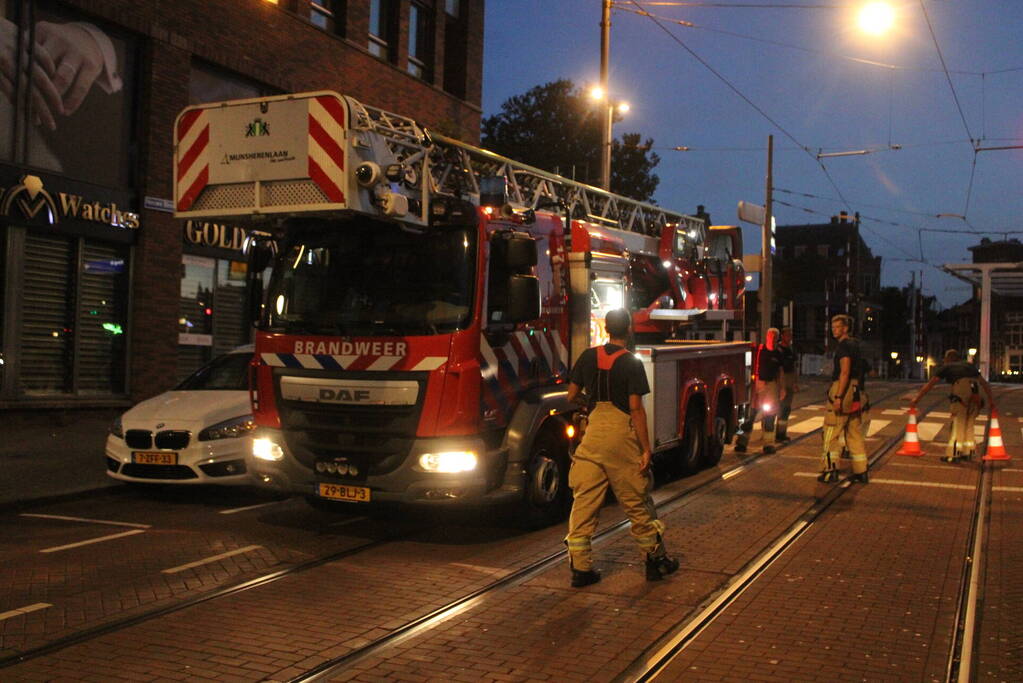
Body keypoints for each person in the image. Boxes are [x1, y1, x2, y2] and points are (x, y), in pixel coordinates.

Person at [565, 308, 679, 587]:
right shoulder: (631, 362)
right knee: (636, 502)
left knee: (584, 502)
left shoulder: (588, 356)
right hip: (621, 437)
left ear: (605, 329)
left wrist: (588, 406)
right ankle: (655, 560)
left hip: (593, 435)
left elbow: (571, 395)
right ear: (628, 329)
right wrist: (646, 449)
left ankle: (581, 569)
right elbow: (636, 409)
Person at [910, 349, 995, 462]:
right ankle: (968, 452)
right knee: (969, 424)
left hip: (960, 395)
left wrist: (916, 399)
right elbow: (984, 383)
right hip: (975, 395)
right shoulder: (970, 366)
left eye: (945, 359)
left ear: (949, 358)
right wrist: (991, 401)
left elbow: (930, 384)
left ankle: (953, 454)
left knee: (957, 425)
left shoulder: (947, 367)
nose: (944, 361)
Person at [820, 314, 868, 483]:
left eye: (837, 327)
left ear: (845, 328)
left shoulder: (843, 347)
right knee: (854, 433)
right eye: (832, 327)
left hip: (843, 389)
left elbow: (845, 371)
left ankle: (830, 470)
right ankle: (861, 471)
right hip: (856, 391)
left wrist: (838, 397)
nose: (834, 330)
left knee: (831, 431)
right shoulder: (856, 345)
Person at [735, 327, 786, 455]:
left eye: (775, 337)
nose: (772, 339)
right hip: (757, 385)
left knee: (770, 416)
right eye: (770, 336)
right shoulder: (758, 350)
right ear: (767, 337)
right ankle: (741, 442)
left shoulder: (779, 353)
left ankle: (768, 444)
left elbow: (780, 372)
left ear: (777, 338)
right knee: (750, 415)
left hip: (771, 386)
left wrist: (782, 388)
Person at [776, 326, 799, 442]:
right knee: (781, 408)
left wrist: (795, 382)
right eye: (787, 335)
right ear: (782, 336)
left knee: (786, 408)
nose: (789, 337)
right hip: (781, 379)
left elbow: (794, 366)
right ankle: (777, 433)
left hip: (789, 379)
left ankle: (782, 432)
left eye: (790, 335)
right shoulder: (778, 350)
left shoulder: (791, 349)